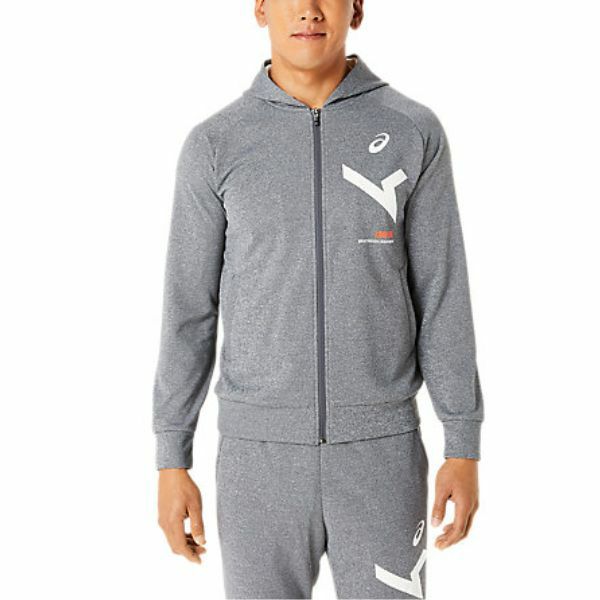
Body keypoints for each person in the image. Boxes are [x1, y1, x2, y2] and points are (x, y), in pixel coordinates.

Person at [152, 1, 484, 598]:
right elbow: (188, 311)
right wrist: (171, 459)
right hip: (258, 462)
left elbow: (442, 294)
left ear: (356, 8)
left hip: (382, 455)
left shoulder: (413, 131)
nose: (308, 10)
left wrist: (462, 442)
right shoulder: (215, 145)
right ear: (260, 8)